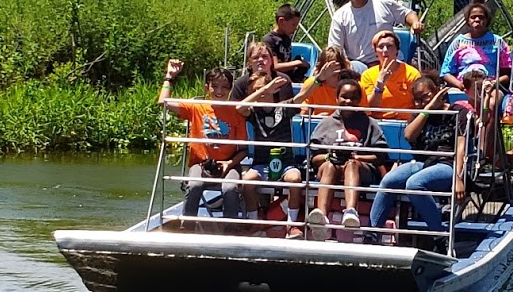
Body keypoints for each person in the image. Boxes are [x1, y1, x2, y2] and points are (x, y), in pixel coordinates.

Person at [367, 76, 467, 245]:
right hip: (423, 163)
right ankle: (372, 233)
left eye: (425, 97)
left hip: (446, 165)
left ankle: (439, 235)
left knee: (414, 184)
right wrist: (427, 109)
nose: (421, 103)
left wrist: (458, 177)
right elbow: (409, 135)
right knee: (388, 181)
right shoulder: (420, 114)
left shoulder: (458, 112)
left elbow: (460, 148)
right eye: (417, 100)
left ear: (437, 91)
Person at [234, 41, 314, 234]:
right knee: (248, 181)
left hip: (286, 162)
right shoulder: (253, 113)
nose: (263, 94)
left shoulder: (284, 109)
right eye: (259, 91)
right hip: (261, 163)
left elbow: (303, 96)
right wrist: (263, 90)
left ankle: (292, 224)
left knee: (295, 179)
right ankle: (255, 222)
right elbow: (238, 107)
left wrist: (318, 80)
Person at [158, 59, 248, 227]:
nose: (219, 91)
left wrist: (229, 163)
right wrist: (169, 77)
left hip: (229, 163)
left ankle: (230, 229)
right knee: (194, 185)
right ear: (207, 87)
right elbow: (163, 102)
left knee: (230, 189)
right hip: (200, 163)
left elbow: (243, 150)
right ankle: (187, 226)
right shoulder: (197, 107)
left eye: (225, 87)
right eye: (215, 86)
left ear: (230, 89)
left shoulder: (236, 112)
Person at [305, 78, 387, 240]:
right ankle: (321, 216)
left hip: (359, 169)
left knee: (351, 164)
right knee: (329, 165)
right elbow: (314, 158)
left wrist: (356, 156)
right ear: (337, 98)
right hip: (331, 168)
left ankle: (350, 212)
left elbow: (381, 155)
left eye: (353, 97)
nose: (348, 101)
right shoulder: (326, 124)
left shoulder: (368, 123)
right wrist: (330, 155)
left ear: (359, 100)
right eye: (344, 97)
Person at [326, 0, 425, 70]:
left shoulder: (385, 3)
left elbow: (407, 14)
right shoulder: (339, 16)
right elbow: (335, 49)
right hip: (360, 65)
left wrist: (415, 23)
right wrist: (346, 64)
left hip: (390, 59)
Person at [440, 0, 512, 91]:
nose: (477, 20)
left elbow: (507, 74)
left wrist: (493, 83)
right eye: (473, 17)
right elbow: (445, 73)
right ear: (468, 21)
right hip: (462, 88)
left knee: (491, 103)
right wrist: (460, 85)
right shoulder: (458, 42)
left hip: (489, 88)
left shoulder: (498, 42)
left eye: (481, 17)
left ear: (487, 20)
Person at [358, 29, 420, 120]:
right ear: (375, 52)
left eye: (389, 46)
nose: (385, 50)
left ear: (397, 50)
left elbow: (419, 103)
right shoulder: (368, 75)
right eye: (381, 47)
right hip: (379, 122)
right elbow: (370, 108)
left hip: (406, 122)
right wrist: (380, 84)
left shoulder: (412, 73)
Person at [296, 45, 352, 117]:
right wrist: (316, 118)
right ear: (321, 66)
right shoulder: (312, 84)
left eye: (336, 64)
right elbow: (304, 115)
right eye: (328, 65)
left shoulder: (353, 86)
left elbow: (365, 117)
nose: (332, 69)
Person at [263, 3, 308, 81]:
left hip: (289, 77)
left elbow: (287, 61)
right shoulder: (270, 40)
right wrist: (298, 63)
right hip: (276, 79)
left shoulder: (287, 37)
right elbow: (275, 67)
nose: (296, 28)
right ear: (281, 21)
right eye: (293, 25)